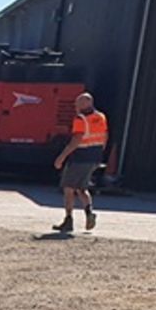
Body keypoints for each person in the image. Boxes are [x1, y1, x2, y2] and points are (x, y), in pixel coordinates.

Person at [50, 92, 108, 234]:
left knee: (68, 188)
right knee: (82, 188)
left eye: (77, 103)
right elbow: (105, 136)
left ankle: (68, 220)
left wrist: (61, 157)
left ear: (85, 104)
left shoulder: (80, 119)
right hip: (94, 157)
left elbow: (76, 140)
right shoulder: (100, 117)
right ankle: (89, 213)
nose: (75, 106)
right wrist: (99, 153)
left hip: (80, 158)